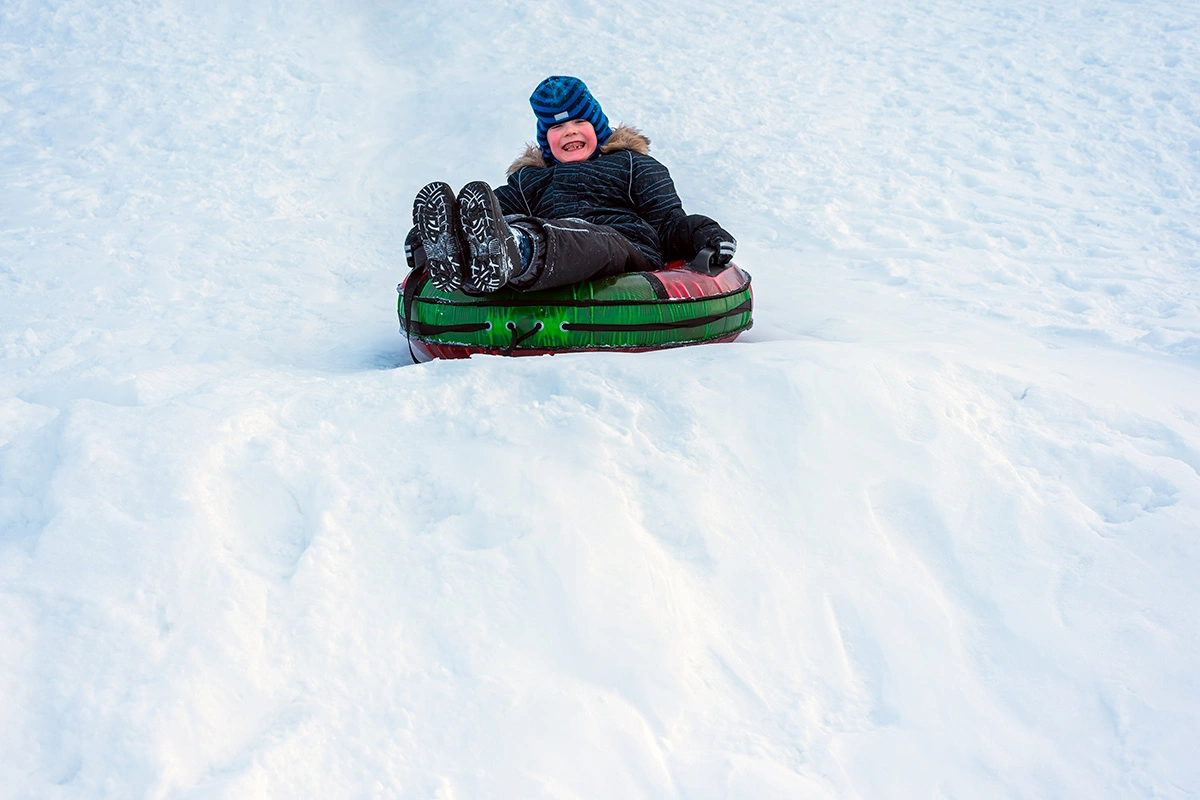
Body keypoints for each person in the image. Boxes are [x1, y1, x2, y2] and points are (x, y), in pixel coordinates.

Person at [404, 76, 737, 294]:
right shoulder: (529, 180)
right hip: (546, 236)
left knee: (594, 239)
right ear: (546, 140)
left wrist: (707, 234)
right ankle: (457, 248)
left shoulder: (632, 165)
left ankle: (516, 248)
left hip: (625, 247)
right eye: (557, 128)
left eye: (580, 121)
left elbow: (670, 222)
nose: (570, 132)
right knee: (508, 221)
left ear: (598, 126)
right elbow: (489, 213)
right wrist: (427, 237)